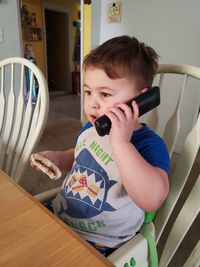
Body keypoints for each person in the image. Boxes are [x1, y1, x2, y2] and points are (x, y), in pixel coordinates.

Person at [31, 35, 170, 257]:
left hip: (101, 242)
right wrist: (59, 157)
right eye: (88, 92)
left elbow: (152, 199)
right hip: (60, 214)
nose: (92, 103)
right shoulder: (91, 128)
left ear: (138, 101)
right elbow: (78, 155)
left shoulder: (149, 144)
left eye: (105, 94)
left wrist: (121, 143)